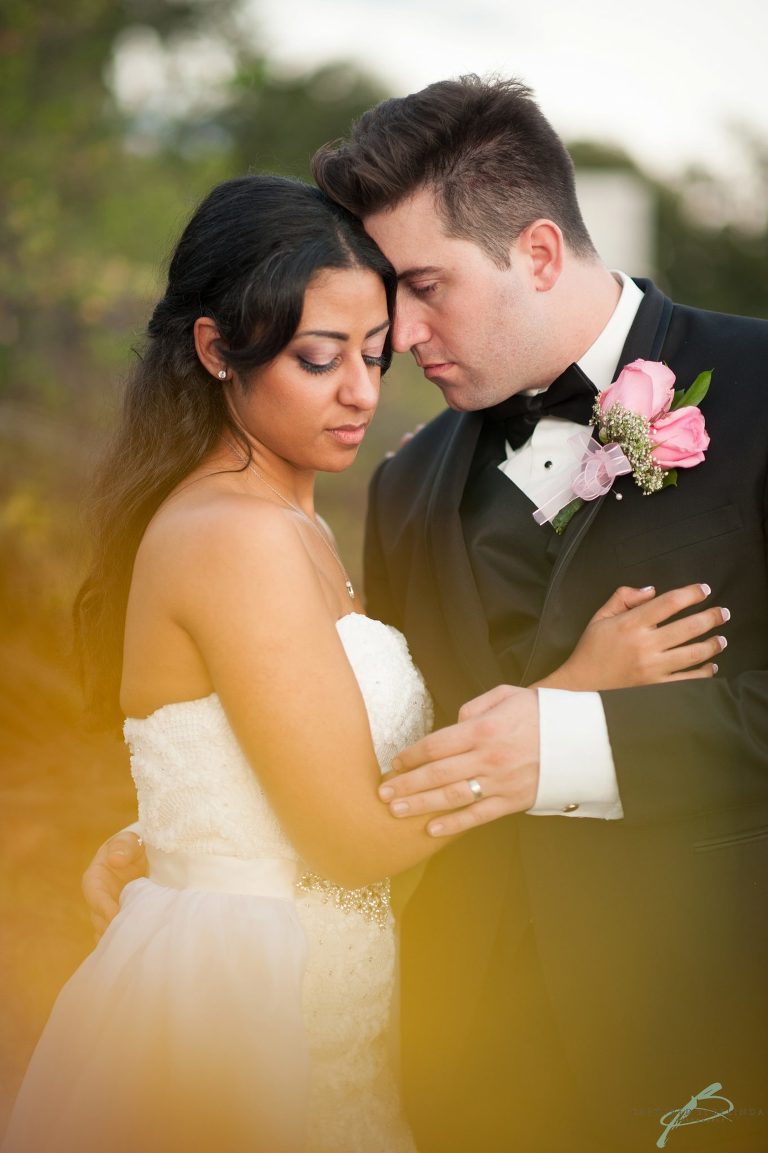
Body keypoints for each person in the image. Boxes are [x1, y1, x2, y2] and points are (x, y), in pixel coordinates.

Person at [66, 171, 723, 1150]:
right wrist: (568, 693)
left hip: (321, 998)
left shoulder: (295, 520)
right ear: (214, 349)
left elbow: (306, 751)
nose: (363, 393)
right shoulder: (235, 534)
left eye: (374, 353)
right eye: (318, 358)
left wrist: (183, 824)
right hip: (248, 1008)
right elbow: (354, 839)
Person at [307, 76, 768, 1153]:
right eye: (385, 295)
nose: (398, 334)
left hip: (719, 1028)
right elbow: (405, 745)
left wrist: (569, 742)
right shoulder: (403, 484)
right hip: (473, 1056)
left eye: (425, 286)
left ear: (542, 252)